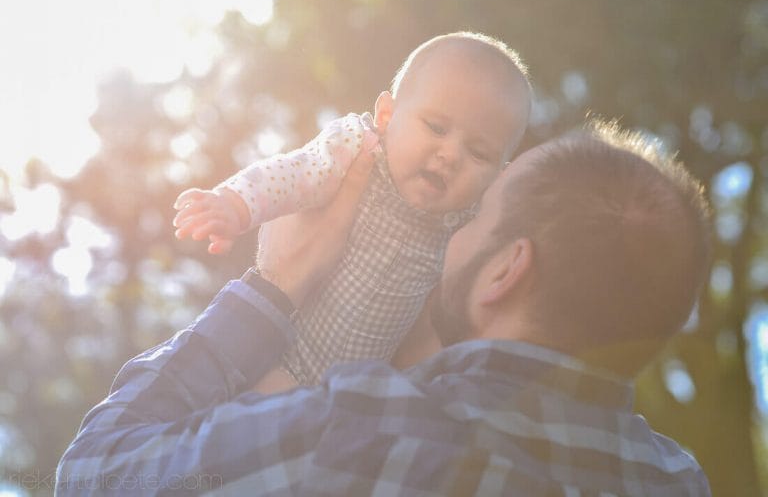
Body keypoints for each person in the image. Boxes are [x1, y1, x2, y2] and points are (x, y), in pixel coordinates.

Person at [56, 122, 712, 496]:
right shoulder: (679, 481)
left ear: (506, 271)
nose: (451, 230)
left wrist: (271, 288)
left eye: (475, 215)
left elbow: (95, 473)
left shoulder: (368, 429)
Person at [172, 32, 532, 387]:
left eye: (479, 153)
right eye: (436, 127)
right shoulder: (357, 149)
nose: (451, 155)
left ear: (497, 175)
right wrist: (234, 204)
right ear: (387, 115)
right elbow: (291, 173)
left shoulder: (463, 225)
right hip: (285, 357)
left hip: (358, 392)